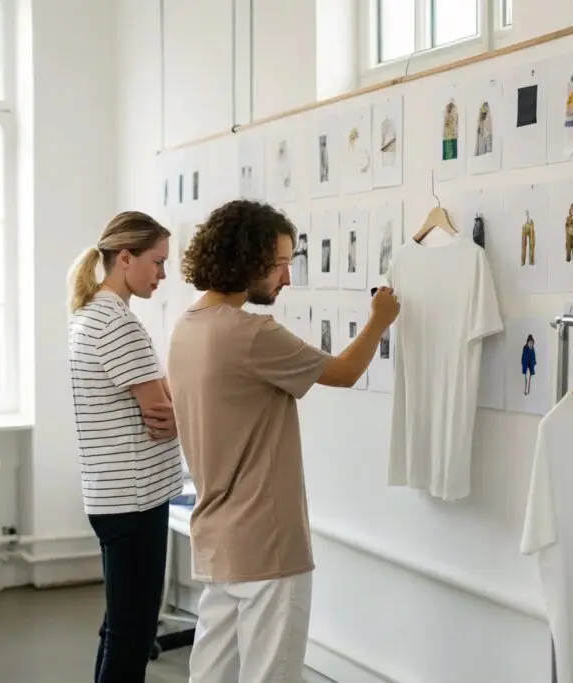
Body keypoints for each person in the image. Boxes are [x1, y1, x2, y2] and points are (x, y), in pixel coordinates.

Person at [167, 199, 401, 683]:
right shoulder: (251, 333)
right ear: (249, 260)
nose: (287, 279)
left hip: (218, 541)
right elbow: (344, 372)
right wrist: (380, 317)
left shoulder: (186, 327)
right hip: (268, 543)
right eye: (281, 265)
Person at [66, 211, 183, 683]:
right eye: (157, 262)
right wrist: (181, 410)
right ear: (126, 257)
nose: (162, 274)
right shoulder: (118, 324)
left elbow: (159, 395)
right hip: (134, 499)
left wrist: (169, 397)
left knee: (119, 627)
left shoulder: (92, 313)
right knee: (132, 634)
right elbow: (161, 419)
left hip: (113, 495)